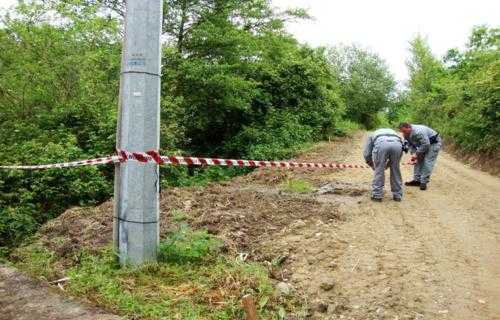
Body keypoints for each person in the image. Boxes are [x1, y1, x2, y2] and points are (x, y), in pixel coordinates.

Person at [363, 128, 404, 202]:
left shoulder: (372, 134)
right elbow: (402, 144)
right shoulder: (394, 132)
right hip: (397, 144)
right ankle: (397, 195)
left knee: (379, 171)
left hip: (381, 143)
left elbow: (367, 153)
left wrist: (372, 164)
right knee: (395, 169)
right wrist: (389, 165)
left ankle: (377, 195)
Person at [398, 123, 442, 190]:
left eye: (404, 131)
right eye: (402, 131)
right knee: (418, 161)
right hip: (423, 144)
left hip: (433, 143)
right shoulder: (406, 134)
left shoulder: (419, 131)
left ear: (409, 128)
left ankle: (423, 182)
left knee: (427, 161)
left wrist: (417, 154)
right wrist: (414, 155)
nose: (403, 133)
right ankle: (416, 180)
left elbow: (426, 144)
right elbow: (411, 145)